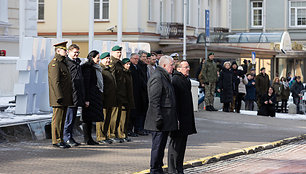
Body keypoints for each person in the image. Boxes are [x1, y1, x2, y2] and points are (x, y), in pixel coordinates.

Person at [144, 55, 178, 174]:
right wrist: (158, 118)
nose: (173, 67)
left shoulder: (164, 76)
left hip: (165, 120)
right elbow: (154, 100)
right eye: (171, 65)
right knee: (157, 147)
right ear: (164, 65)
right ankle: (154, 169)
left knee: (161, 147)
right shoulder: (157, 77)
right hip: (159, 120)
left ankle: (158, 168)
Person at [168, 60, 197, 174]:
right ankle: (172, 169)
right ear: (178, 69)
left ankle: (179, 168)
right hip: (178, 118)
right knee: (175, 145)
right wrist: (176, 118)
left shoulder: (186, 80)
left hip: (186, 118)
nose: (188, 69)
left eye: (188, 66)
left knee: (182, 145)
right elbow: (174, 101)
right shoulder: (175, 80)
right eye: (186, 67)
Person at [48, 41, 73, 148]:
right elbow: (55, 82)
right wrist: (59, 96)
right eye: (64, 50)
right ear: (58, 51)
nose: (66, 51)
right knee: (57, 119)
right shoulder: (55, 64)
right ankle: (56, 140)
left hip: (65, 96)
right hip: (58, 97)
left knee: (62, 119)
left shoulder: (63, 63)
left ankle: (60, 139)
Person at [63, 44, 84, 147]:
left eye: (78, 52)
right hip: (70, 95)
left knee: (72, 119)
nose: (76, 54)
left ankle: (70, 137)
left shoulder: (77, 63)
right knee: (69, 118)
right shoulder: (67, 63)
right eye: (75, 52)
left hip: (77, 95)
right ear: (69, 52)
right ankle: (66, 137)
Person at [81, 50, 104, 145]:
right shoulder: (88, 68)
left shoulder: (95, 68)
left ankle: (89, 138)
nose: (99, 60)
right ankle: (87, 138)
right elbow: (86, 85)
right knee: (87, 118)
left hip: (94, 96)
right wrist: (86, 99)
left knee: (91, 118)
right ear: (92, 58)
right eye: (97, 58)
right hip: (89, 97)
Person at [109, 45, 130, 142]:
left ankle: (117, 134)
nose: (119, 54)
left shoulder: (119, 63)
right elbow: (113, 80)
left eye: (120, 52)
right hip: (115, 94)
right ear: (112, 53)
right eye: (117, 52)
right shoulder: (113, 63)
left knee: (119, 116)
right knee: (114, 116)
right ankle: (112, 134)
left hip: (121, 93)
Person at [96, 52, 116, 144]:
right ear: (102, 60)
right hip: (103, 99)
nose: (108, 60)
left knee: (107, 118)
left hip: (110, 99)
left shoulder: (108, 70)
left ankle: (105, 135)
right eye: (106, 59)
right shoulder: (101, 70)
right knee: (101, 119)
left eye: (109, 59)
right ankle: (100, 136)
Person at [120, 58, 134, 142]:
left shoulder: (129, 73)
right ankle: (121, 134)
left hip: (128, 98)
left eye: (129, 64)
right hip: (124, 98)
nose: (128, 66)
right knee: (122, 118)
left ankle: (124, 134)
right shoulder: (123, 73)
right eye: (127, 64)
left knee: (126, 118)